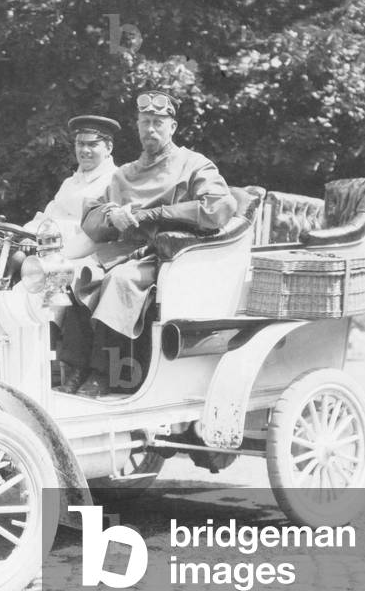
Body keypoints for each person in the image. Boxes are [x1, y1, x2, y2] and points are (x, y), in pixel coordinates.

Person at [57, 90, 237, 396]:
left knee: (119, 281)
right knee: (73, 276)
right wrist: (112, 216)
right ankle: (75, 368)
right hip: (124, 253)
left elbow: (220, 208)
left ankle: (105, 374)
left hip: (168, 257)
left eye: (157, 122)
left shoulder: (193, 165)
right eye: (144, 122)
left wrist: (155, 214)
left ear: (173, 127)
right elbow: (91, 215)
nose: (150, 129)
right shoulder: (126, 173)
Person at [24, 115, 120, 258]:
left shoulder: (116, 180)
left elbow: (103, 234)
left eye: (92, 145)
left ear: (108, 148)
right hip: (47, 249)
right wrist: (27, 235)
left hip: (82, 259)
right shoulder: (69, 183)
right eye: (80, 144)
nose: (85, 150)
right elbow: (47, 218)